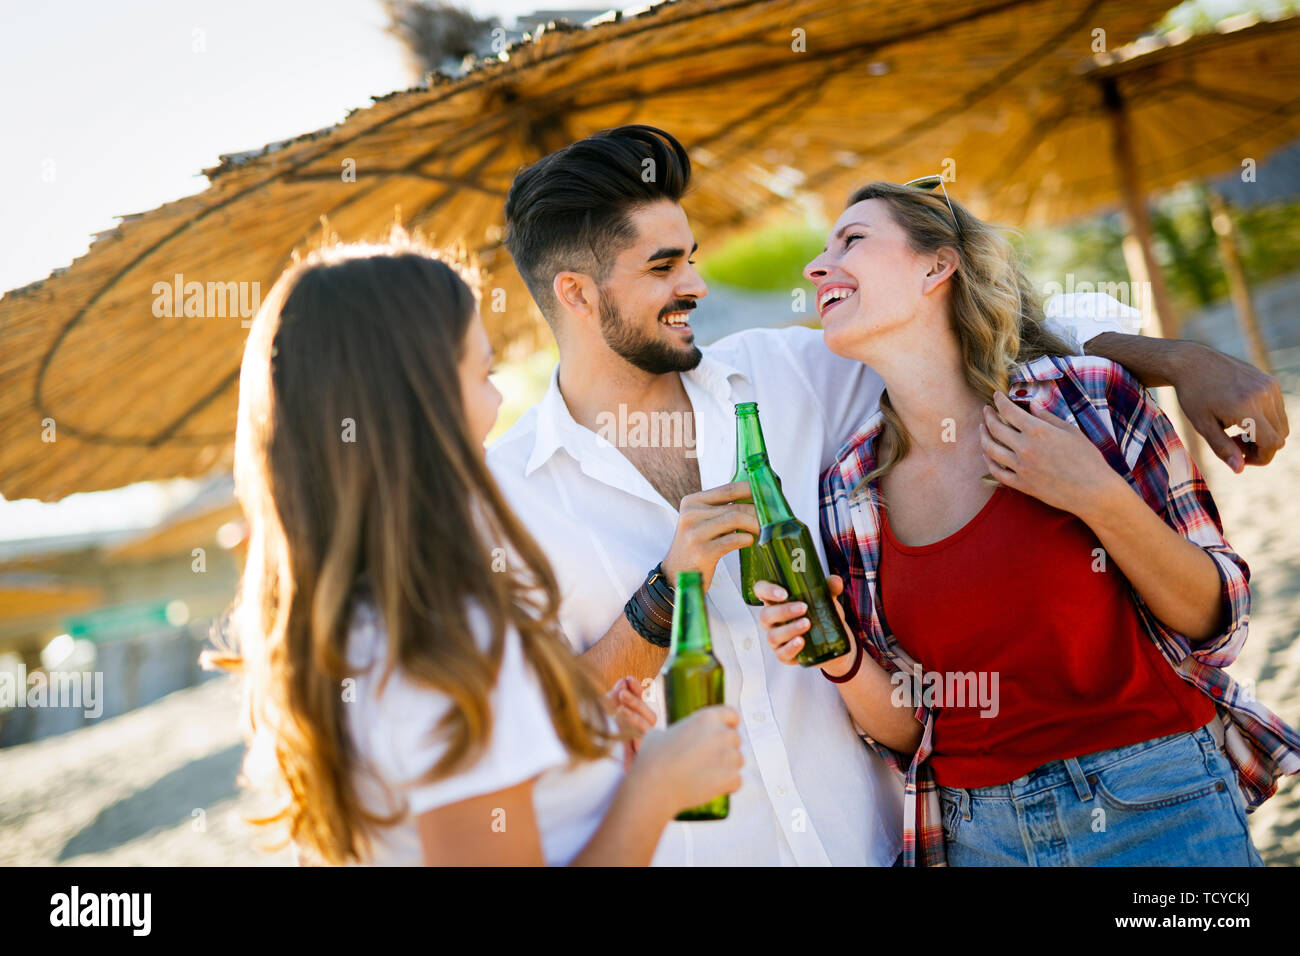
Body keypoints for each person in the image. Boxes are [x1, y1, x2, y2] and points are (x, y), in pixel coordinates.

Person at [485, 124, 1288, 866]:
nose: (696, 282)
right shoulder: (503, 498)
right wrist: (664, 597)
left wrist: (1184, 360)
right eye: (664, 267)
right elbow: (514, 716)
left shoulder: (786, 374)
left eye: (690, 254)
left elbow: (974, 337)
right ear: (578, 296)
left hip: (882, 846)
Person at [755, 179, 1300, 866]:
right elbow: (910, 726)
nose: (816, 266)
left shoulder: (1087, 398)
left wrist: (1096, 495)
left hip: (1156, 807)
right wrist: (835, 654)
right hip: (975, 836)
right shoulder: (849, 487)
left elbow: (1217, 621)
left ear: (937, 265)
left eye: (853, 240)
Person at [209, 236, 743, 866]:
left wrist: (580, 749)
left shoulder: (356, 630)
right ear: (420, 406)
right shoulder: (439, 642)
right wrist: (655, 789)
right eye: (483, 374)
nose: (497, 404)